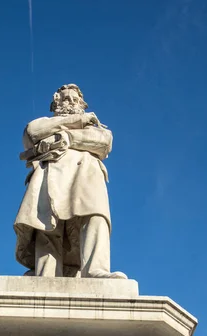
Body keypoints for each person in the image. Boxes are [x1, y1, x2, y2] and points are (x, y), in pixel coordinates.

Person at [14, 83, 126, 278]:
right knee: (46, 223)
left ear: (82, 104)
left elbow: (103, 141)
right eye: (66, 99)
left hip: (86, 172)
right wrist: (78, 121)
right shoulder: (45, 122)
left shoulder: (94, 126)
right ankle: (46, 274)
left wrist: (64, 137)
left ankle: (95, 270)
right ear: (56, 104)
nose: (70, 103)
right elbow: (32, 133)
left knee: (95, 215)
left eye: (75, 100)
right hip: (50, 172)